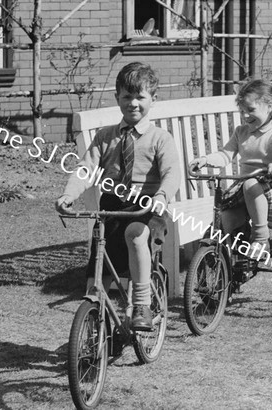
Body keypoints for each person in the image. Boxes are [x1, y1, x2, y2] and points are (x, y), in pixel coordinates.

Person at [55, 62, 181, 331]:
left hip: (147, 207)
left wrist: (161, 196)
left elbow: (172, 173)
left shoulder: (160, 138)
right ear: (117, 98)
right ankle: (94, 313)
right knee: (100, 251)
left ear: (153, 100)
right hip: (113, 206)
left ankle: (141, 304)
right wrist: (69, 194)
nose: (133, 103)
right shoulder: (106, 136)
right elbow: (86, 169)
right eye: (127, 97)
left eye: (140, 97)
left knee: (136, 234)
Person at [189, 79, 272, 259]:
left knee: (250, 184)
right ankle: (225, 263)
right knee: (222, 221)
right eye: (243, 111)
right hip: (244, 190)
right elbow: (225, 155)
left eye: (251, 110)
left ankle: (261, 239)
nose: (246, 116)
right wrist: (205, 160)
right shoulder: (241, 132)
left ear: (269, 107)